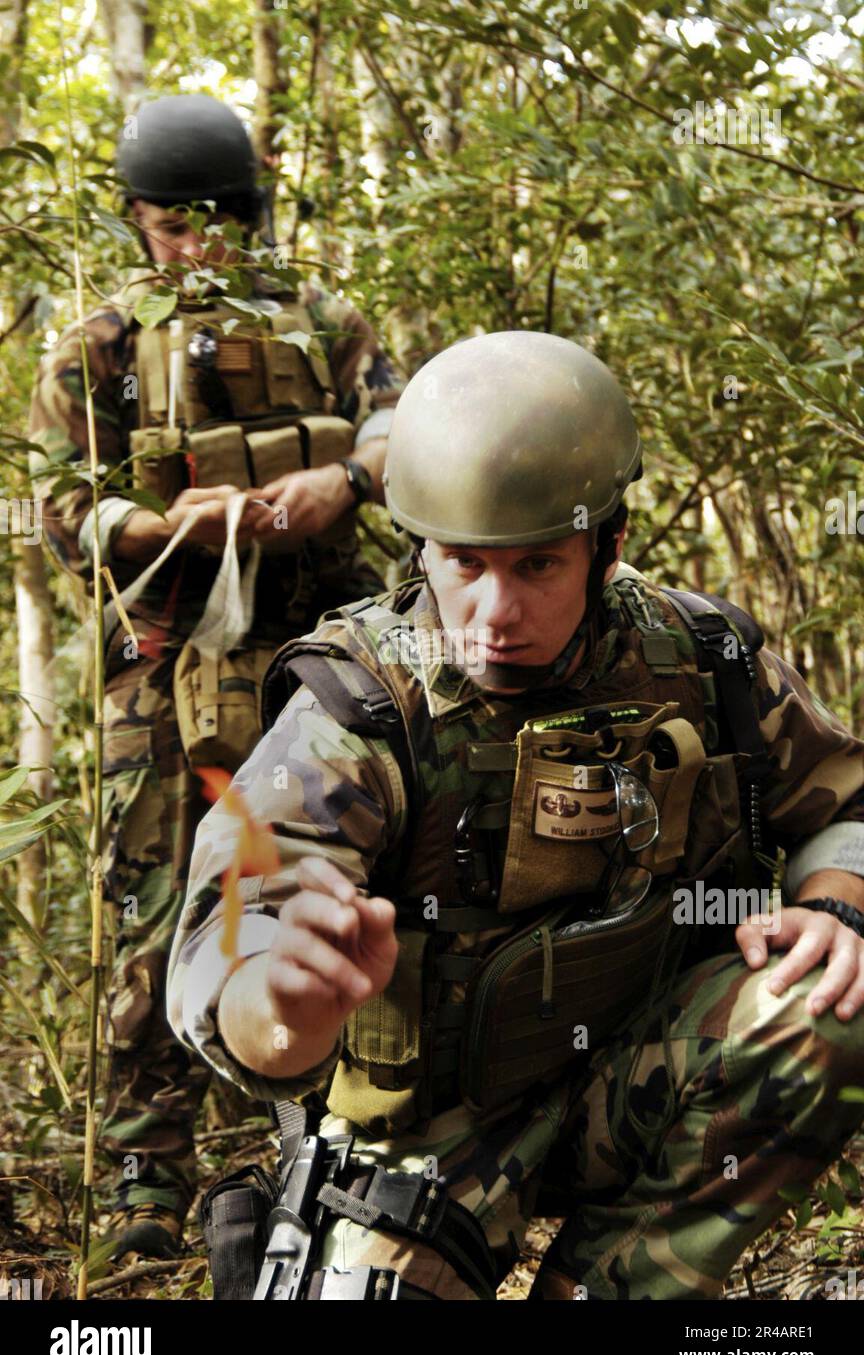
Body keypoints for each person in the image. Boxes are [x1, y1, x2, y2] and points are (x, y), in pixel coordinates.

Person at [166, 331, 864, 1300]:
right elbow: (224, 939)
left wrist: (835, 906)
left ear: (607, 543)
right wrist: (280, 1005)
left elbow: (845, 797)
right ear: (420, 549)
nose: (495, 612)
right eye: (463, 563)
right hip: (425, 1140)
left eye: (538, 566)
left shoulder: (699, 656)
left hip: (633, 1079)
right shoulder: (359, 709)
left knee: (825, 1003)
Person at [28, 93, 404, 1258]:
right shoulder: (97, 345)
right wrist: (154, 526)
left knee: (313, 870)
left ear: (250, 215)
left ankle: (312, 1135)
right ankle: (147, 1161)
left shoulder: (323, 317)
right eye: (168, 228)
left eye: (212, 225)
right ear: (137, 224)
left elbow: (404, 428)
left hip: (317, 652)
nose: (193, 250)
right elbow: (55, 508)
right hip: (163, 656)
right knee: (150, 887)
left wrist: (341, 485)